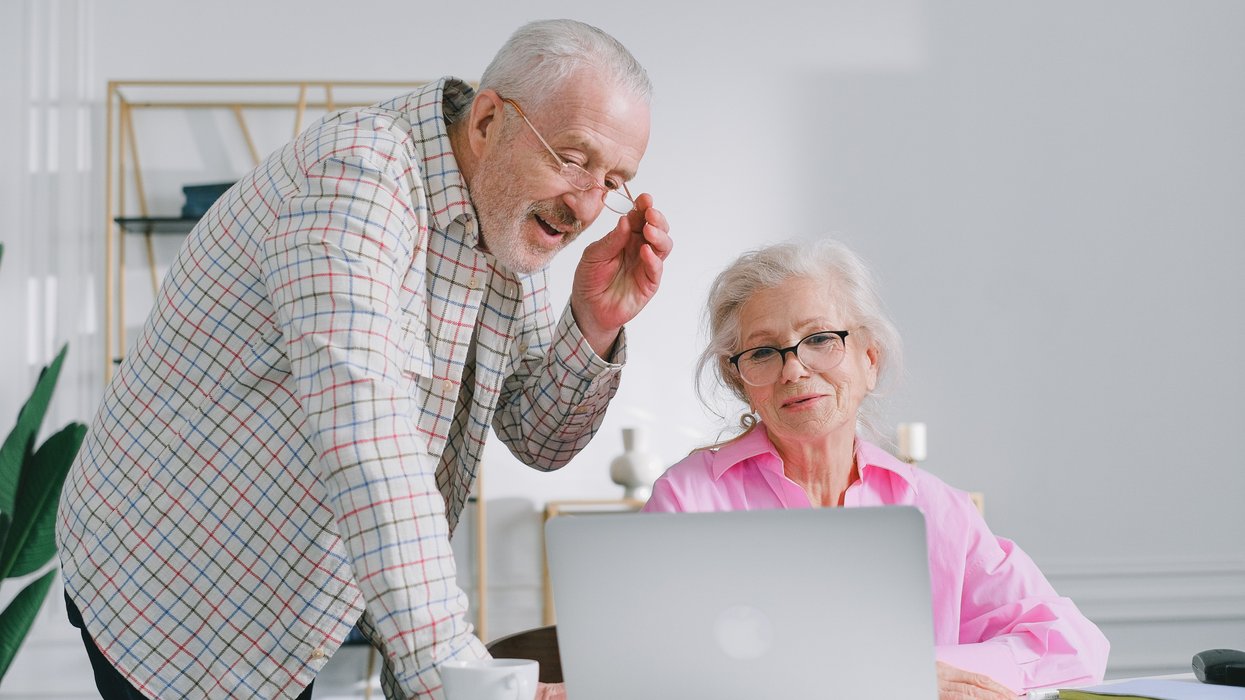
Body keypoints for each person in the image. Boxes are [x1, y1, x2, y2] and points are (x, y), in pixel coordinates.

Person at [57, 19, 669, 700]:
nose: (587, 203)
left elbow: (536, 438)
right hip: (174, 585)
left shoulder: (507, 216)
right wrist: (468, 684)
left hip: (291, 597)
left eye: (612, 179)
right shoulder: (356, 178)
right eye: (573, 158)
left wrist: (592, 324)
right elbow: (368, 441)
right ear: (491, 119)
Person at [643, 240, 1107, 699]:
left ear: (869, 359)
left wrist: (921, 674)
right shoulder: (689, 499)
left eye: (820, 339)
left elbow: (1074, 647)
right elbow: (659, 671)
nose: (794, 370)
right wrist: (878, 678)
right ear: (742, 382)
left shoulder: (936, 507)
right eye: (763, 352)